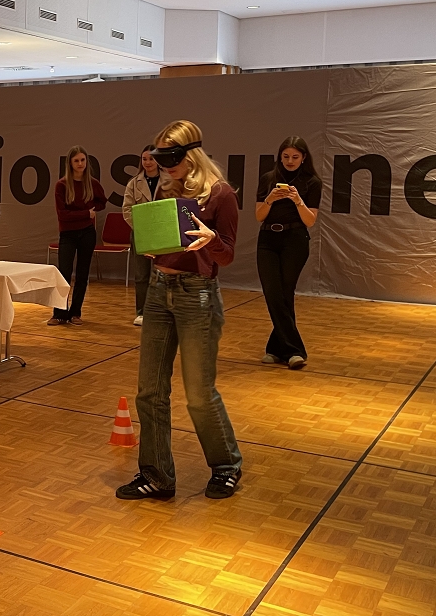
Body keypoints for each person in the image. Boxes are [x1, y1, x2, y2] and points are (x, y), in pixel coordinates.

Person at [117, 120, 243, 502]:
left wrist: (211, 239)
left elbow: (227, 255)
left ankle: (226, 466)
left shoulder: (221, 194)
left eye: (172, 160)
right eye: (161, 160)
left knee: (199, 394)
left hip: (197, 296)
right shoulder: (166, 188)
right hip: (159, 292)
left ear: (192, 154)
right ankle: (156, 475)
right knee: (149, 391)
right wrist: (152, 245)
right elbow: (162, 240)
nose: (166, 167)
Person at [255, 136, 321, 370]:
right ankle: (292, 350)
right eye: (285, 156)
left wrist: (298, 200)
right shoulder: (268, 179)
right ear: (279, 157)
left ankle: (280, 350)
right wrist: (270, 199)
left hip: (295, 240)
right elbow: (259, 216)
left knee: (284, 293)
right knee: (273, 293)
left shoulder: (312, 182)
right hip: (267, 240)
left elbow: (310, 221)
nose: (290, 161)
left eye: (295, 157)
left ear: (303, 158)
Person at [49, 146, 106, 326]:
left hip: (87, 233)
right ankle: (59, 313)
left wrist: (92, 210)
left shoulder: (92, 183)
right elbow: (63, 215)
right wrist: (86, 213)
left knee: (82, 274)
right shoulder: (62, 185)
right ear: (70, 163)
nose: (80, 164)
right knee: (64, 273)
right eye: (76, 161)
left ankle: (75, 313)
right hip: (67, 234)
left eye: (82, 160)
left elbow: (102, 202)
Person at [122, 145, 160, 326]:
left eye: (151, 159)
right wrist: (141, 228)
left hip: (163, 234)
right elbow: (127, 210)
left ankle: (162, 312)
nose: (148, 162)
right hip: (141, 234)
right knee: (141, 275)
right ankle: (142, 312)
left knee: (162, 274)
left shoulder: (169, 181)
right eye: (144, 159)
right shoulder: (134, 183)